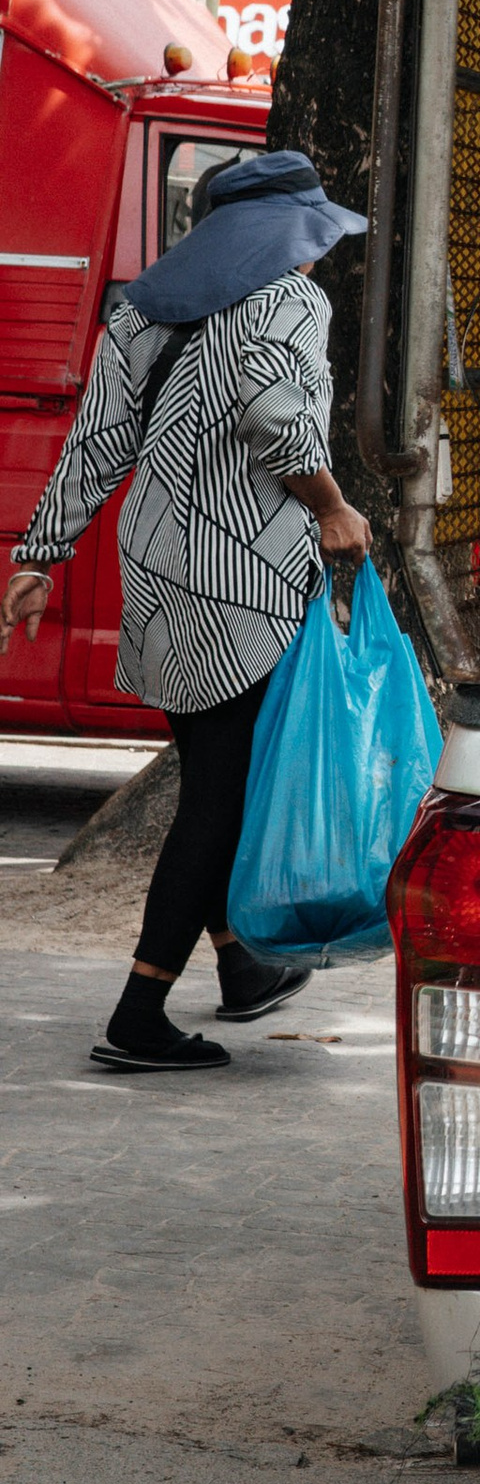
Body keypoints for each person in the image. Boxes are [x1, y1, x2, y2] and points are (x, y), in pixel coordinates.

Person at [0, 147, 373, 1077]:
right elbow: (279, 420)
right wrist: (332, 506)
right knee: (218, 800)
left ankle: (242, 970)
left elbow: (97, 440)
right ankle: (139, 1013)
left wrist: (39, 557)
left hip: (158, 574)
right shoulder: (287, 301)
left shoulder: (137, 310)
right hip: (245, 582)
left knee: (213, 773)